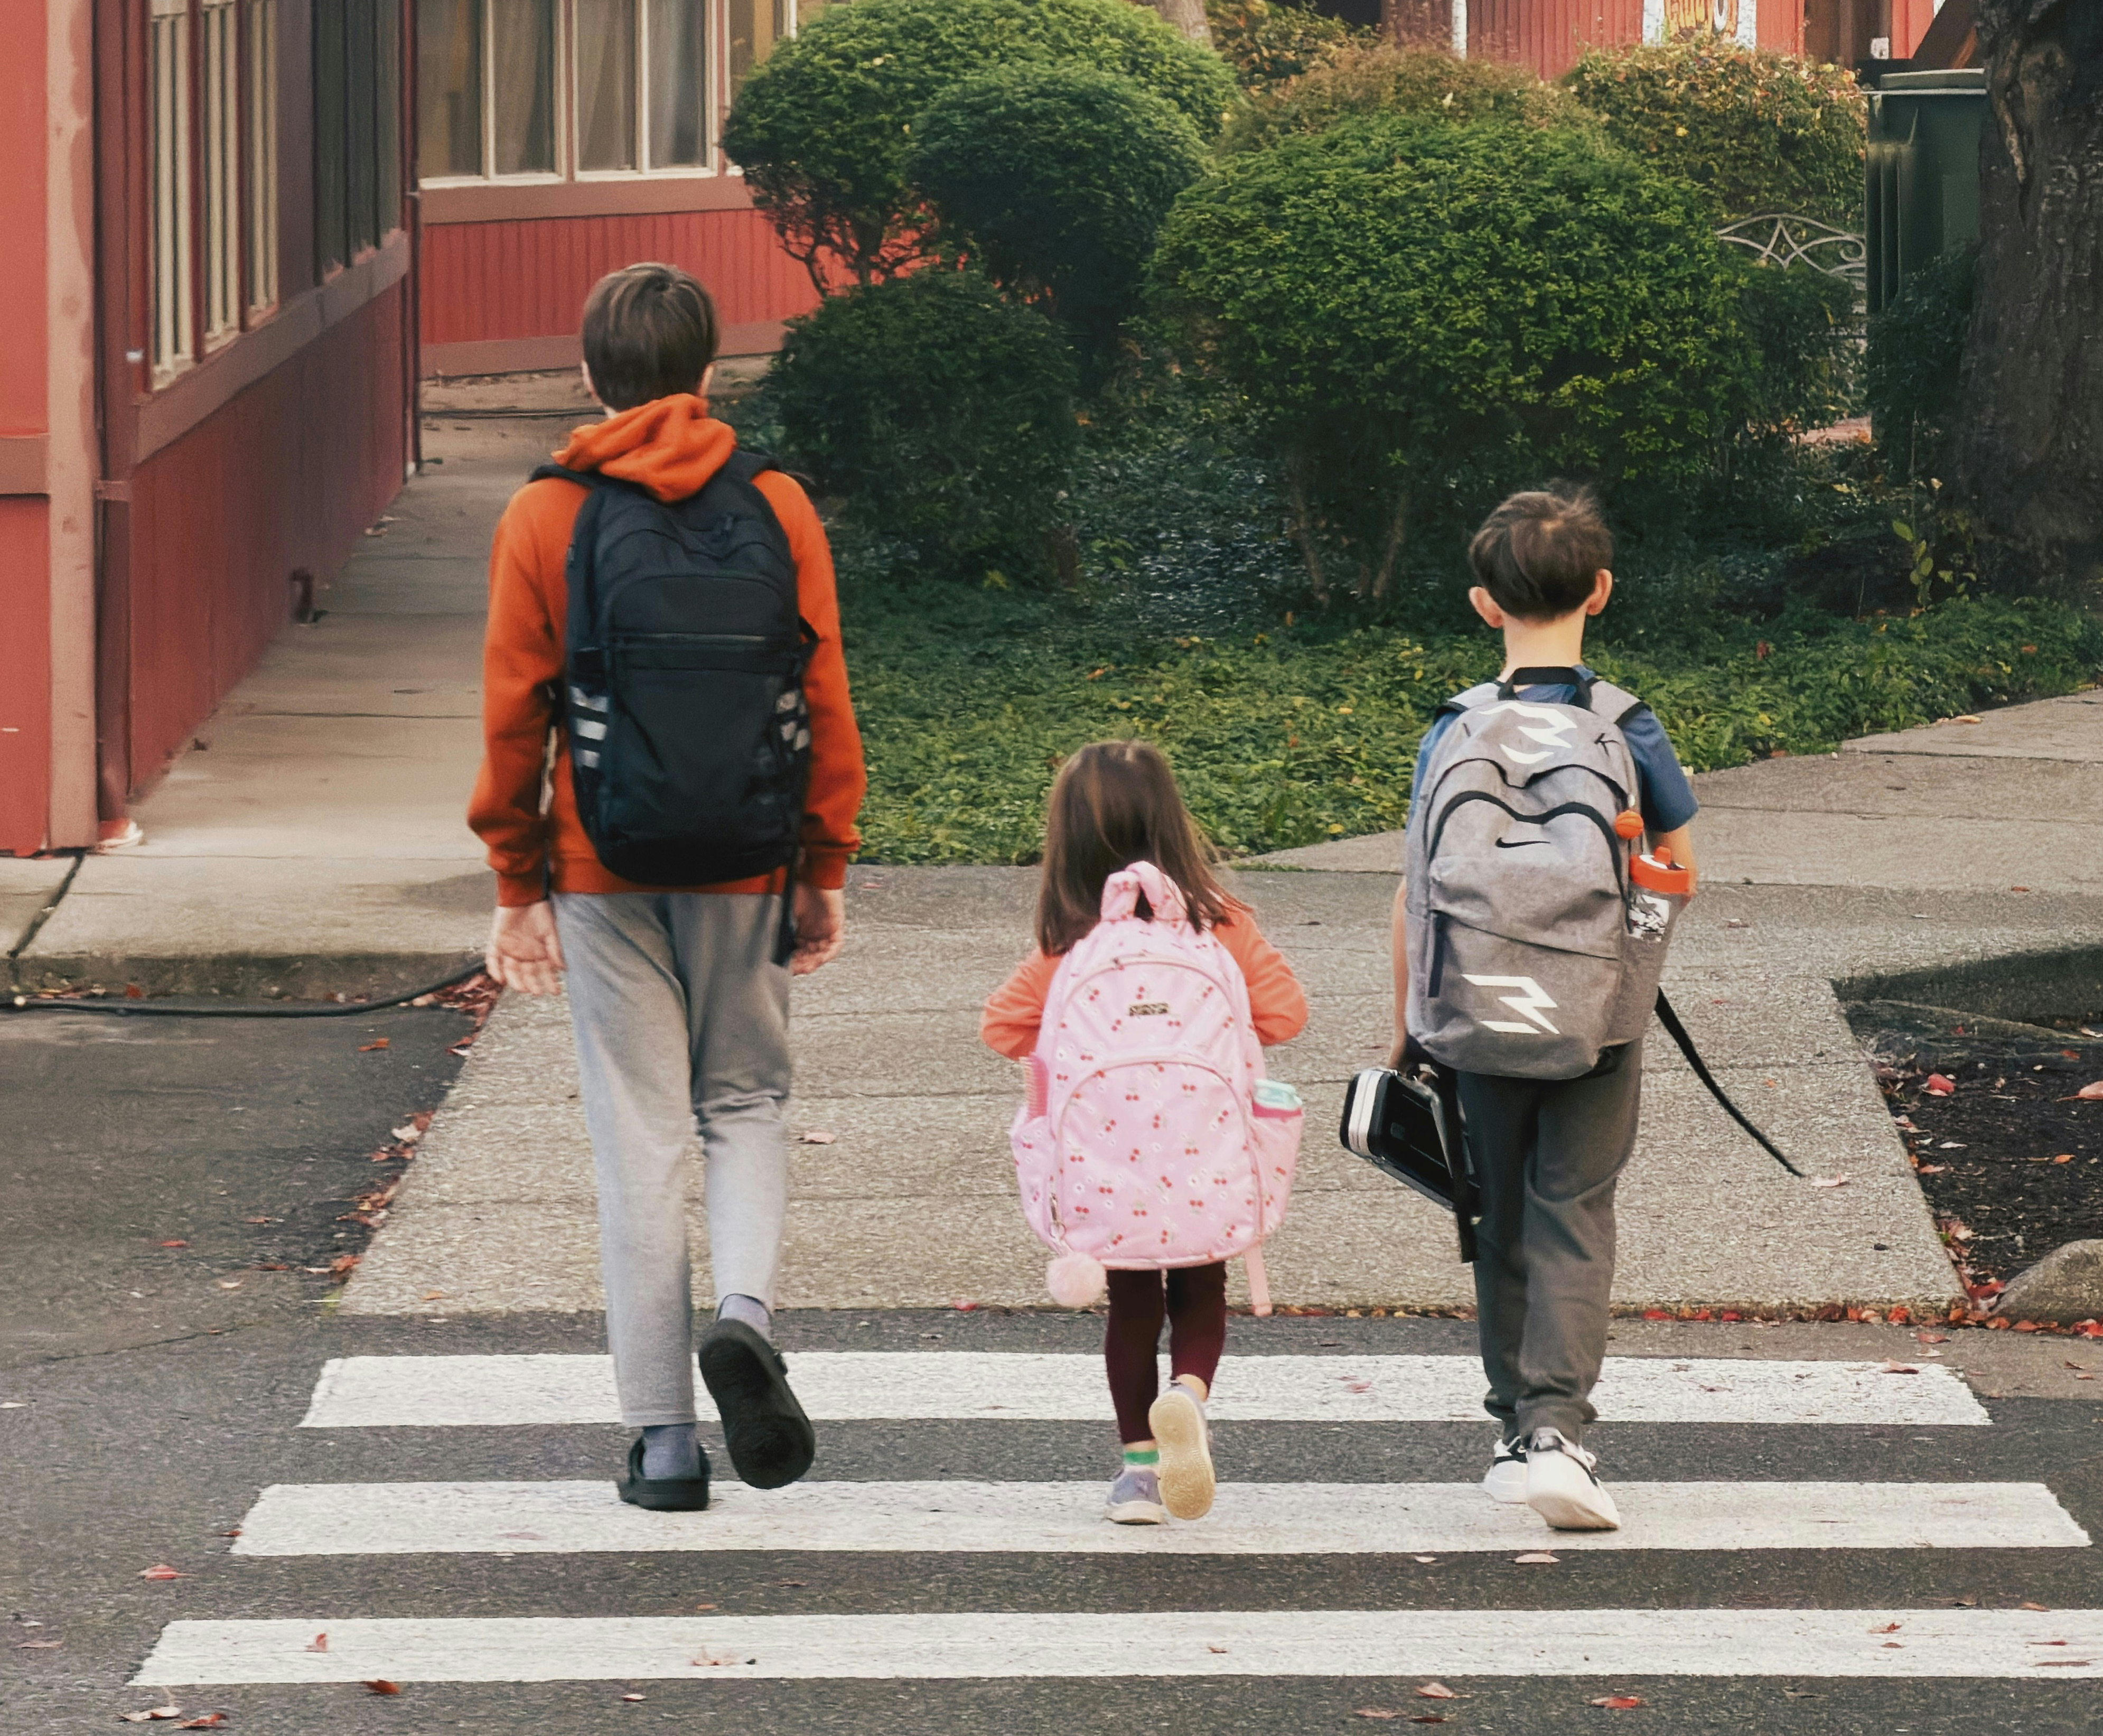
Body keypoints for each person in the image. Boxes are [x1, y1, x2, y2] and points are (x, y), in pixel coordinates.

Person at [468, 263, 866, 1511]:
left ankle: (663, 1443)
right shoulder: (780, 503)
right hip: (748, 853)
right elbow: (823, 695)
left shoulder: (547, 513)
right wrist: (823, 864)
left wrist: (514, 876)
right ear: (708, 372)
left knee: (637, 1136)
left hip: (604, 859)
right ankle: (742, 1314)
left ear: (591, 374)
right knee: (744, 1096)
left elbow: (513, 711)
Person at [1390, 487, 1698, 1532]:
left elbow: (1416, 891)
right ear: (1600, 591)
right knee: (1573, 1209)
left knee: (1497, 1216)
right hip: (1592, 1017)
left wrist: (1409, 1025)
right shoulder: (1625, 725)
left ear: (1484, 604)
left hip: (1469, 1009)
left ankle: (1510, 1427)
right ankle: (1560, 1427)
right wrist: (1621, 989)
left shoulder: (1452, 730)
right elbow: (1672, 871)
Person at [983, 741, 1307, 1524]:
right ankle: (1187, 1395)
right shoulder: (1219, 925)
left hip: (1108, 1168)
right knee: (1201, 1288)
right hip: (1209, 1159)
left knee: (1131, 1306)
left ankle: (1137, 1473)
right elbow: (1286, 1013)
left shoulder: (1068, 944)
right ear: (1173, 825)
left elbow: (1001, 1028)